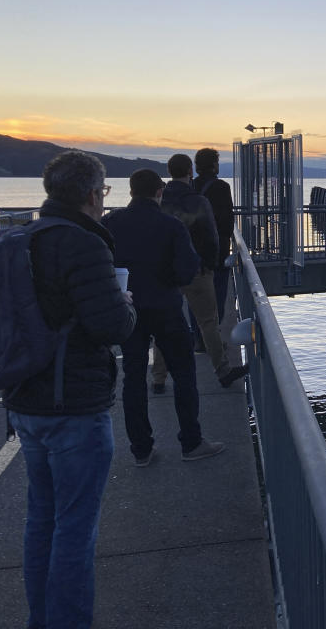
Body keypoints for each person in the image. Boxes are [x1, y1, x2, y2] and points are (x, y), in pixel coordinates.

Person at [7, 151, 137, 629]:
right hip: (73, 408)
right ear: (89, 194)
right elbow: (111, 328)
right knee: (75, 532)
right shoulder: (83, 244)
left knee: (41, 522)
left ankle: (41, 620)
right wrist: (125, 303)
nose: (104, 203)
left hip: (25, 401)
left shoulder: (24, 238)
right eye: (103, 193)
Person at [102, 169, 225, 466]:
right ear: (159, 193)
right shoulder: (170, 226)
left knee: (133, 378)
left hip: (127, 309)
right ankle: (191, 443)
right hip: (166, 308)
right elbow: (187, 269)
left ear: (131, 192)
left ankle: (141, 449)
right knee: (184, 375)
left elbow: (100, 264)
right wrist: (167, 279)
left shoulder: (110, 223)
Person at [150, 153, 248, 393]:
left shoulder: (160, 201)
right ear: (189, 170)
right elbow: (213, 236)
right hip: (197, 269)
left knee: (163, 324)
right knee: (208, 323)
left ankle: (159, 379)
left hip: (167, 271)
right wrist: (210, 263)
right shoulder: (198, 201)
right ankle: (223, 372)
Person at [193, 147, 235, 321]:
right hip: (218, 250)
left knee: (195, 297)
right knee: (217, 292)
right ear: (214, 165)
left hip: (194, 249)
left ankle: (197, 334)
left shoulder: (190, 186)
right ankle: (215, 332)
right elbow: (227, 222)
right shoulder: (222, 187)